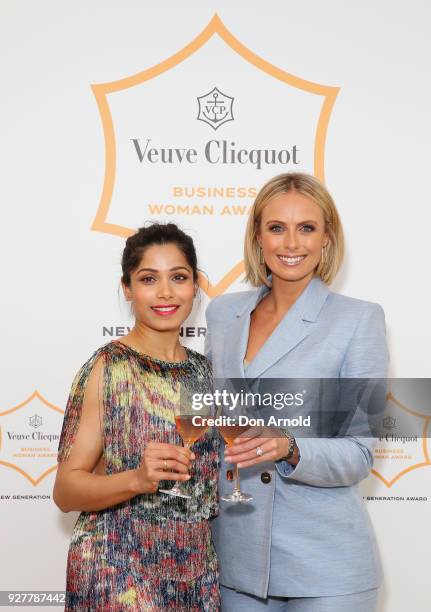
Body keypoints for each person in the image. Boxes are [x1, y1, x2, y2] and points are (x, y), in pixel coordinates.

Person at [205, 173, 389, 611]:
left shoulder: (358, 320)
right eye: (276, 227)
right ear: (258, 236)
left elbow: (360, 455)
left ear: (327, 238)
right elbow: (214, 421)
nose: (291, 243)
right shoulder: (222, 314)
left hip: (326, 563)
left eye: (307, 227)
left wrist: (289, 448)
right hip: (236, 562)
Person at [53, 223, 220, 611]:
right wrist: (137, 480)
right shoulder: (109, 367)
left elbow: (203, 484)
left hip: (193, 573)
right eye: (149, 279)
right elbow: (65, 491)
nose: (165, 292)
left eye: (178, 277)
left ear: (195, 285)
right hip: (117, 571)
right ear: (128, 288)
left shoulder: (203, 373)